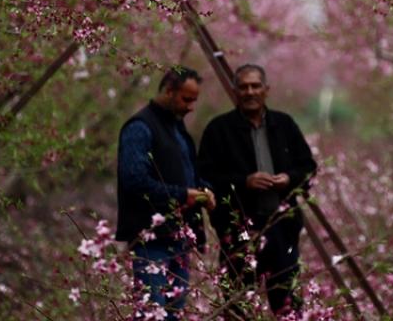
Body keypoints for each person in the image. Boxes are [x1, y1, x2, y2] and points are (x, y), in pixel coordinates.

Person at [198, 64, 317, 317]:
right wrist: (244, 182)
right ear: (235, 91)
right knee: (239, 301)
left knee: (287, 302)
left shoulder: (284, 125)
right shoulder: (219, 130)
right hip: (241, 231)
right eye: (243, 87)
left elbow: (308, 167)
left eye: (255, 86)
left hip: (281, 229)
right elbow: (206, 179)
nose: (250, 92)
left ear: (266, 90)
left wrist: (289, 178)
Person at [116, 66, 216, 319]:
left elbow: (188, 173)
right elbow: (134, 180)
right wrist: (184, 195)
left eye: (195, 100)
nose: (191, 106)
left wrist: (204, 190)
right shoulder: (140, 128)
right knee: (152, 313)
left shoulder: (177, 129)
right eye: (187, 99)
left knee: (172, 313)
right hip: (153, 241)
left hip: (179, 239)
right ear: (169, 91)